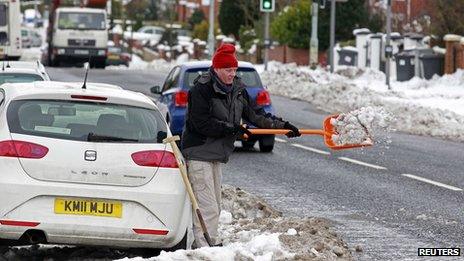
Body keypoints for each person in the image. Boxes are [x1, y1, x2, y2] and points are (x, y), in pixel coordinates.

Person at [181, 43, 301, 248]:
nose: (232, 73)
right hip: (199, 152)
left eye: (234, 69)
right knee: (207, 206)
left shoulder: (237, 89)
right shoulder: (202, 89)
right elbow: (200, 123)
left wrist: (282, 127)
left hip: (217, 155)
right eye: (228, 70)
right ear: (217, 68)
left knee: (215, 205)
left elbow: (256, 114)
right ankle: (204, 247)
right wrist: (233, 129)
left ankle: (207, 244)